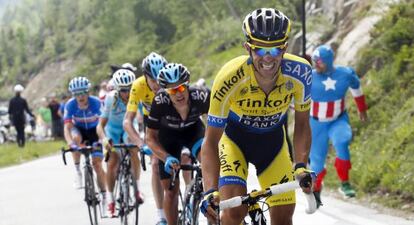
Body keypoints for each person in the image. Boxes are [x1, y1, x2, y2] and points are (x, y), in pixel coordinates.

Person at [200, 8, 314, 225]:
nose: (268, 57)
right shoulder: (229, 77)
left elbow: (302, 124)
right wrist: (210, 191)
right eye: (260, 50)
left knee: (283, 217)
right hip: (234, 141)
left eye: (275, 49)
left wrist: (300, 165)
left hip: (273, 144)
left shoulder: (301, 73)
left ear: (285, 48)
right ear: (247, 48)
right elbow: (211, 140)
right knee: (233, 214)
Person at [146, 63, 210, 225]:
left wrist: (214, 156)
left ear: (187, 85)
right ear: (166, 91)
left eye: (181, 88)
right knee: (171, 191)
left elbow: (214, 126)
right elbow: (150, 138)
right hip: (168, 139)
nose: (178, 94)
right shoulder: (160, 102)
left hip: (193, 132)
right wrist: (165, 157)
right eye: (172, 90)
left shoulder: (201, 97)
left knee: (209, 163)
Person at [309, 45, 368, 203]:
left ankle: (345, 183)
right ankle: (317, 188)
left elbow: (357, 88)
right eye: (314, 61)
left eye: (319, 61)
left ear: (328, 61)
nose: (316, 64)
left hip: (338, 120)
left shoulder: (345, 74)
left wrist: (362, 110)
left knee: (342, 141)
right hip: (315, 124)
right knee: (316, 162)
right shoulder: (308, 76)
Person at [124, 52, 168, 225]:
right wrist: (141, 144)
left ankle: (189, 196)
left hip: (171, 121)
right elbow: (127, 122)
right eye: (153, 80)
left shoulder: (170, 80)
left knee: (185, 159)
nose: (157, 84)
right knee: (156, 165)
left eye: (160, 79)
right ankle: (160, 215)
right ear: (145, 77)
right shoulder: (138, 85)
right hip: (152, 125)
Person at [96, 69, 145, 217]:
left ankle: (136, 189)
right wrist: (104, 140)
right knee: (112, 162)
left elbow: (143, 119)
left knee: (134, 149)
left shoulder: (137, 96)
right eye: (124, 90)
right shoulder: (111, 99)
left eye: (130, 88)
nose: (128, 92)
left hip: (128, 128)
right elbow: (100, 126)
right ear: (117, 89)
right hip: (112, 131)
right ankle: (110, 199)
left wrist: (143, 136)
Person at [63, 76, 107, 209]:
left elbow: (102, 125)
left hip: (95, 131)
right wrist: (70, 143)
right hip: (80, 130)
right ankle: (78, 170)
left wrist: (101, 141)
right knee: (75, 139)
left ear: (88, 92)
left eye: (83, 93)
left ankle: (105, 196)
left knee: (97, 164)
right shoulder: (70, 104)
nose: (80, 97)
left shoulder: (96, 103)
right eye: (76, 94)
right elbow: (67, 127)